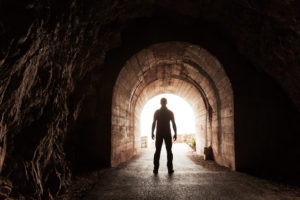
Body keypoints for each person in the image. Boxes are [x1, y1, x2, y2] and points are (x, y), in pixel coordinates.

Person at [151, 97, 177, 174]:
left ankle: (155, 169)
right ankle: (170, 169)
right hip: (167, 133)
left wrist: (152, 132)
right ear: (166, 102)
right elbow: (173, 123)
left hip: (159, 133)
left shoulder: (157, 112)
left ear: (160, 103)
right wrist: (175, 133)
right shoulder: (170, 112)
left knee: (157, 151)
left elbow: (154, 123)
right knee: (169, 151)